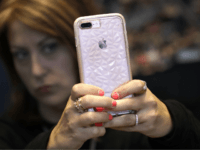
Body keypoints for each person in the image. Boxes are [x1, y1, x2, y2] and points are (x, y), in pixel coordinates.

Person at [0, 0, 200, 149]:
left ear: (79, 44)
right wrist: (52, 145)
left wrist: (173, 124)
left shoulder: (136, 129)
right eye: (21, 54)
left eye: (50, 47)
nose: (36, 70)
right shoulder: (7, 135)